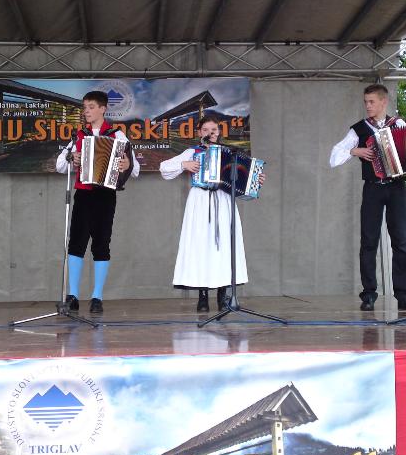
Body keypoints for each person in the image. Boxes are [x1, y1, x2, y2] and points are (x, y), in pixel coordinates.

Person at [329, 83, 406, 312]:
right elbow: (334, 156)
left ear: (383, 102)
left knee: (401, 242)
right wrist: (354, 151)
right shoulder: (359, 129)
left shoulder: (399, 125)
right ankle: (369, 295)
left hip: (397, 188)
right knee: (369, 242)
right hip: (372, 189)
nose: (368, 106)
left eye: (371, 102)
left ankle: (404, 295)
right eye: (366, 102)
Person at [159, 116, 263, 312]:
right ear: (199, 132)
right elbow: (164, 168)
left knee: (225, 245)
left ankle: (223, 296)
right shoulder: (192, 152)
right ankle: (203, 296)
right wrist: (184, 165)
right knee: (201, 245)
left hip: (224, 201)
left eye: (213, 129)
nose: (210, 133)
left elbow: (243, 180)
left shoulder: (231, 153)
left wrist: (255, 179)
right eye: (205, 130)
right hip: (200, 200)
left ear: (219, 132)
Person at [55, 91, 140, 314]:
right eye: (85, 107)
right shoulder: (79, 136)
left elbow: (135, 169)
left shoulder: (117, 135)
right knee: (76, 243)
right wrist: (71, 158)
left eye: (91, 107)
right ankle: (73, 295)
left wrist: (126, 164)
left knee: (101, 244)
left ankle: (97, 297)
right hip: (83, 195)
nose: (87, 111)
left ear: (103, 109)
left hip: (105, 196)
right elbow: (59, 165)